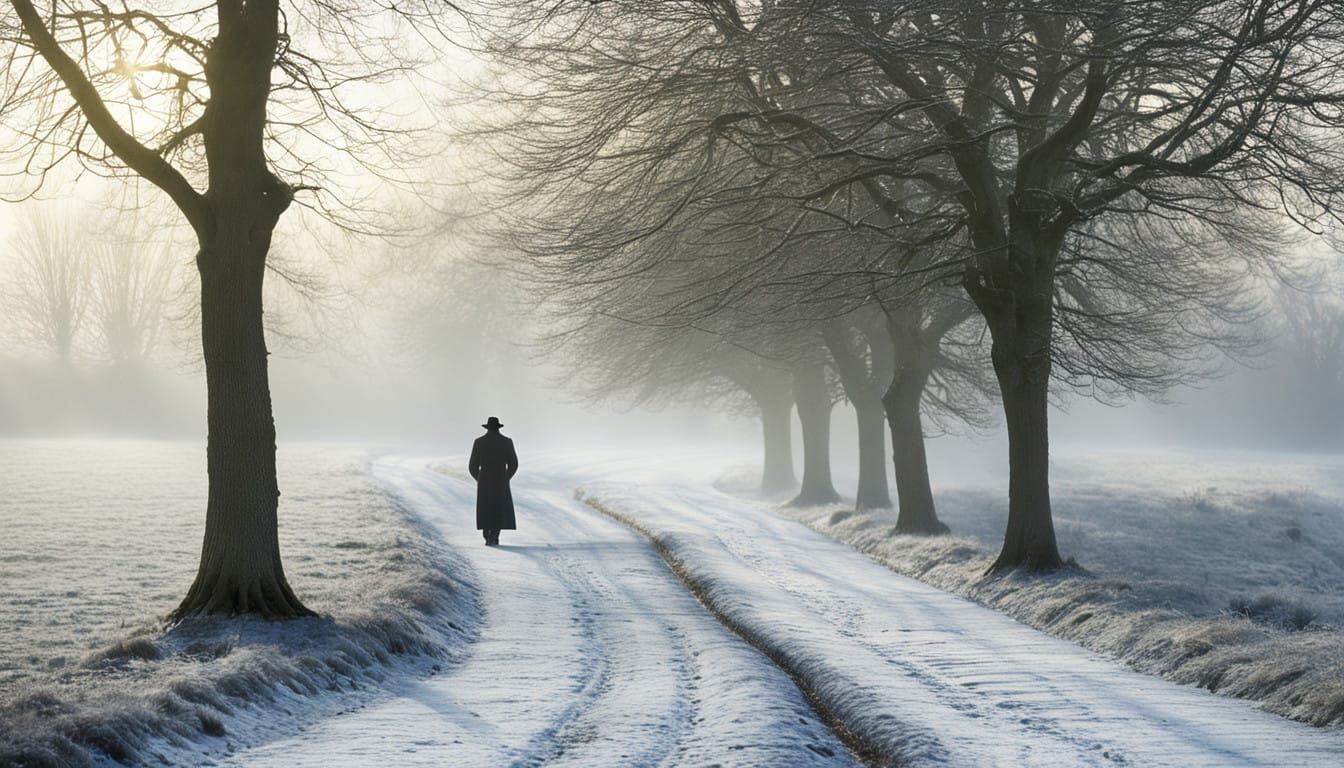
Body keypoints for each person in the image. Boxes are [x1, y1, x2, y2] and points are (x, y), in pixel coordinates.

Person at [469, 416, 517, 546]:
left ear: (487, 427)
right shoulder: (507, 442)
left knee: (485, 507)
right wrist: (506, 478)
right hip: (500, 479)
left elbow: (472, 465)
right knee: (498, 507)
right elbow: (514, 464)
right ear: (498, 427)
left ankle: (486, 535)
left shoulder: (479, 442)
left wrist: (479, 478)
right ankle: (494, 535)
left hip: (484, 479)